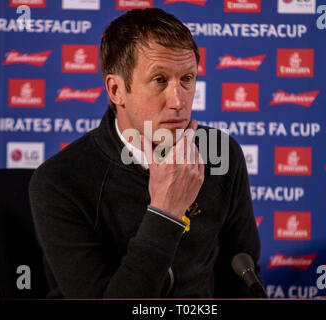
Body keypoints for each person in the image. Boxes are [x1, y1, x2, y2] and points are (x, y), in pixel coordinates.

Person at [29, 8, 262, 299]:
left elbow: (241, 275)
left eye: (187, 78)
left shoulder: (221, 154)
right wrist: (165, 213)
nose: (178, 101)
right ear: (116, 90)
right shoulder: (59, 182)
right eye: (159, 80)